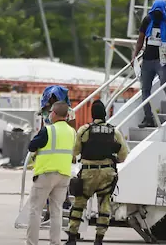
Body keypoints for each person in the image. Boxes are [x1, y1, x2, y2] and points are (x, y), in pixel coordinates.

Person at [66, 100, 129, 245]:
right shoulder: (114, 131)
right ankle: (99, 239)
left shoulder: (84, 130)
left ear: (92, 114)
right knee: (104, 205)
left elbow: (75, 152)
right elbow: (123, 155)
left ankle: (72, 238)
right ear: (104, 114)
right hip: (107, 173)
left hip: (88, 172)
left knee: (79, 204)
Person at [26, 102, 76, 245]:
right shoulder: (72, 132)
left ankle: (31, 243)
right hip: (64, 175)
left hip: (46, 174)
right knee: (57, 211)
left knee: (35, 210)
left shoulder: (48, 130)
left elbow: (32, 146)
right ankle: (55, 242)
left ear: (53, 113)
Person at [134, 0, 166, 128]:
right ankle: (148, 117)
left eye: (159, 12)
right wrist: (134, 55)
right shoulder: (148, 20)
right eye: (155, 12)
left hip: (162, 59)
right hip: (147, 59)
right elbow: (140, 39)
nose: (157, 15)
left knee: (165, 84)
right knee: (145, 89)